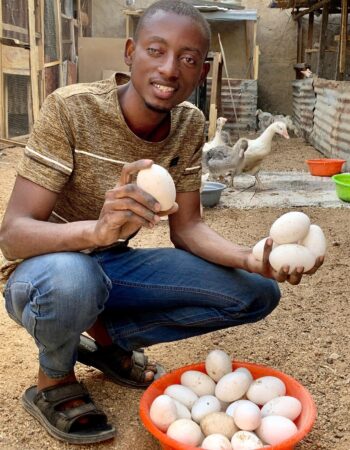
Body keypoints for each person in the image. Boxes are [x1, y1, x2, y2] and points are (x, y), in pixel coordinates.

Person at [0, 0, 323, 445]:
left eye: (188, 59)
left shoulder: (189, 124)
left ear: (202, 72)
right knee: (74, 278)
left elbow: (187, 227)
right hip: (46, 271)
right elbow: (14, 235)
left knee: (256, 294)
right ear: (130, 52)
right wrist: (95, 231)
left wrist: (252, 258)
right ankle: (52, 380)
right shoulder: (71, 109)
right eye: (156, 50)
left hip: (112, 267)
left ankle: (105, 341)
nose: (170, 69)